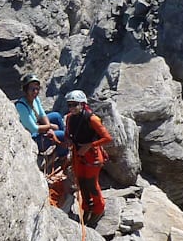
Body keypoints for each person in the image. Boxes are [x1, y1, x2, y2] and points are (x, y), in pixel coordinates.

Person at [64, 90, 111, 222]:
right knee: (81, 183)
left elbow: (107, 138)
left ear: (82, 104)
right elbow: (68, 134)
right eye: (69, 105)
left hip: (92, 156)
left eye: (75, 104)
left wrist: (90, 145)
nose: (72, 108)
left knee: (91, 183)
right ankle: (87, 207)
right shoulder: (69, 118)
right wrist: (67, 140)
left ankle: (99, 208)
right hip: (78, 154)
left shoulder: (92, 119)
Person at [14, 74, 65, 154]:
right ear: (25, 90)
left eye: (37, 89)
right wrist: (51, 126)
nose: (35, 91)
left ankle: (62, 148)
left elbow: (42, 114)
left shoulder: (35, 99)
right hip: (33, 138)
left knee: (56, 116)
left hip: (38, 128)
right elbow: (34, 128)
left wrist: (49, 128)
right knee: (63, 135)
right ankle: (62, 152)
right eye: (32, 89)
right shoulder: (21, 106)